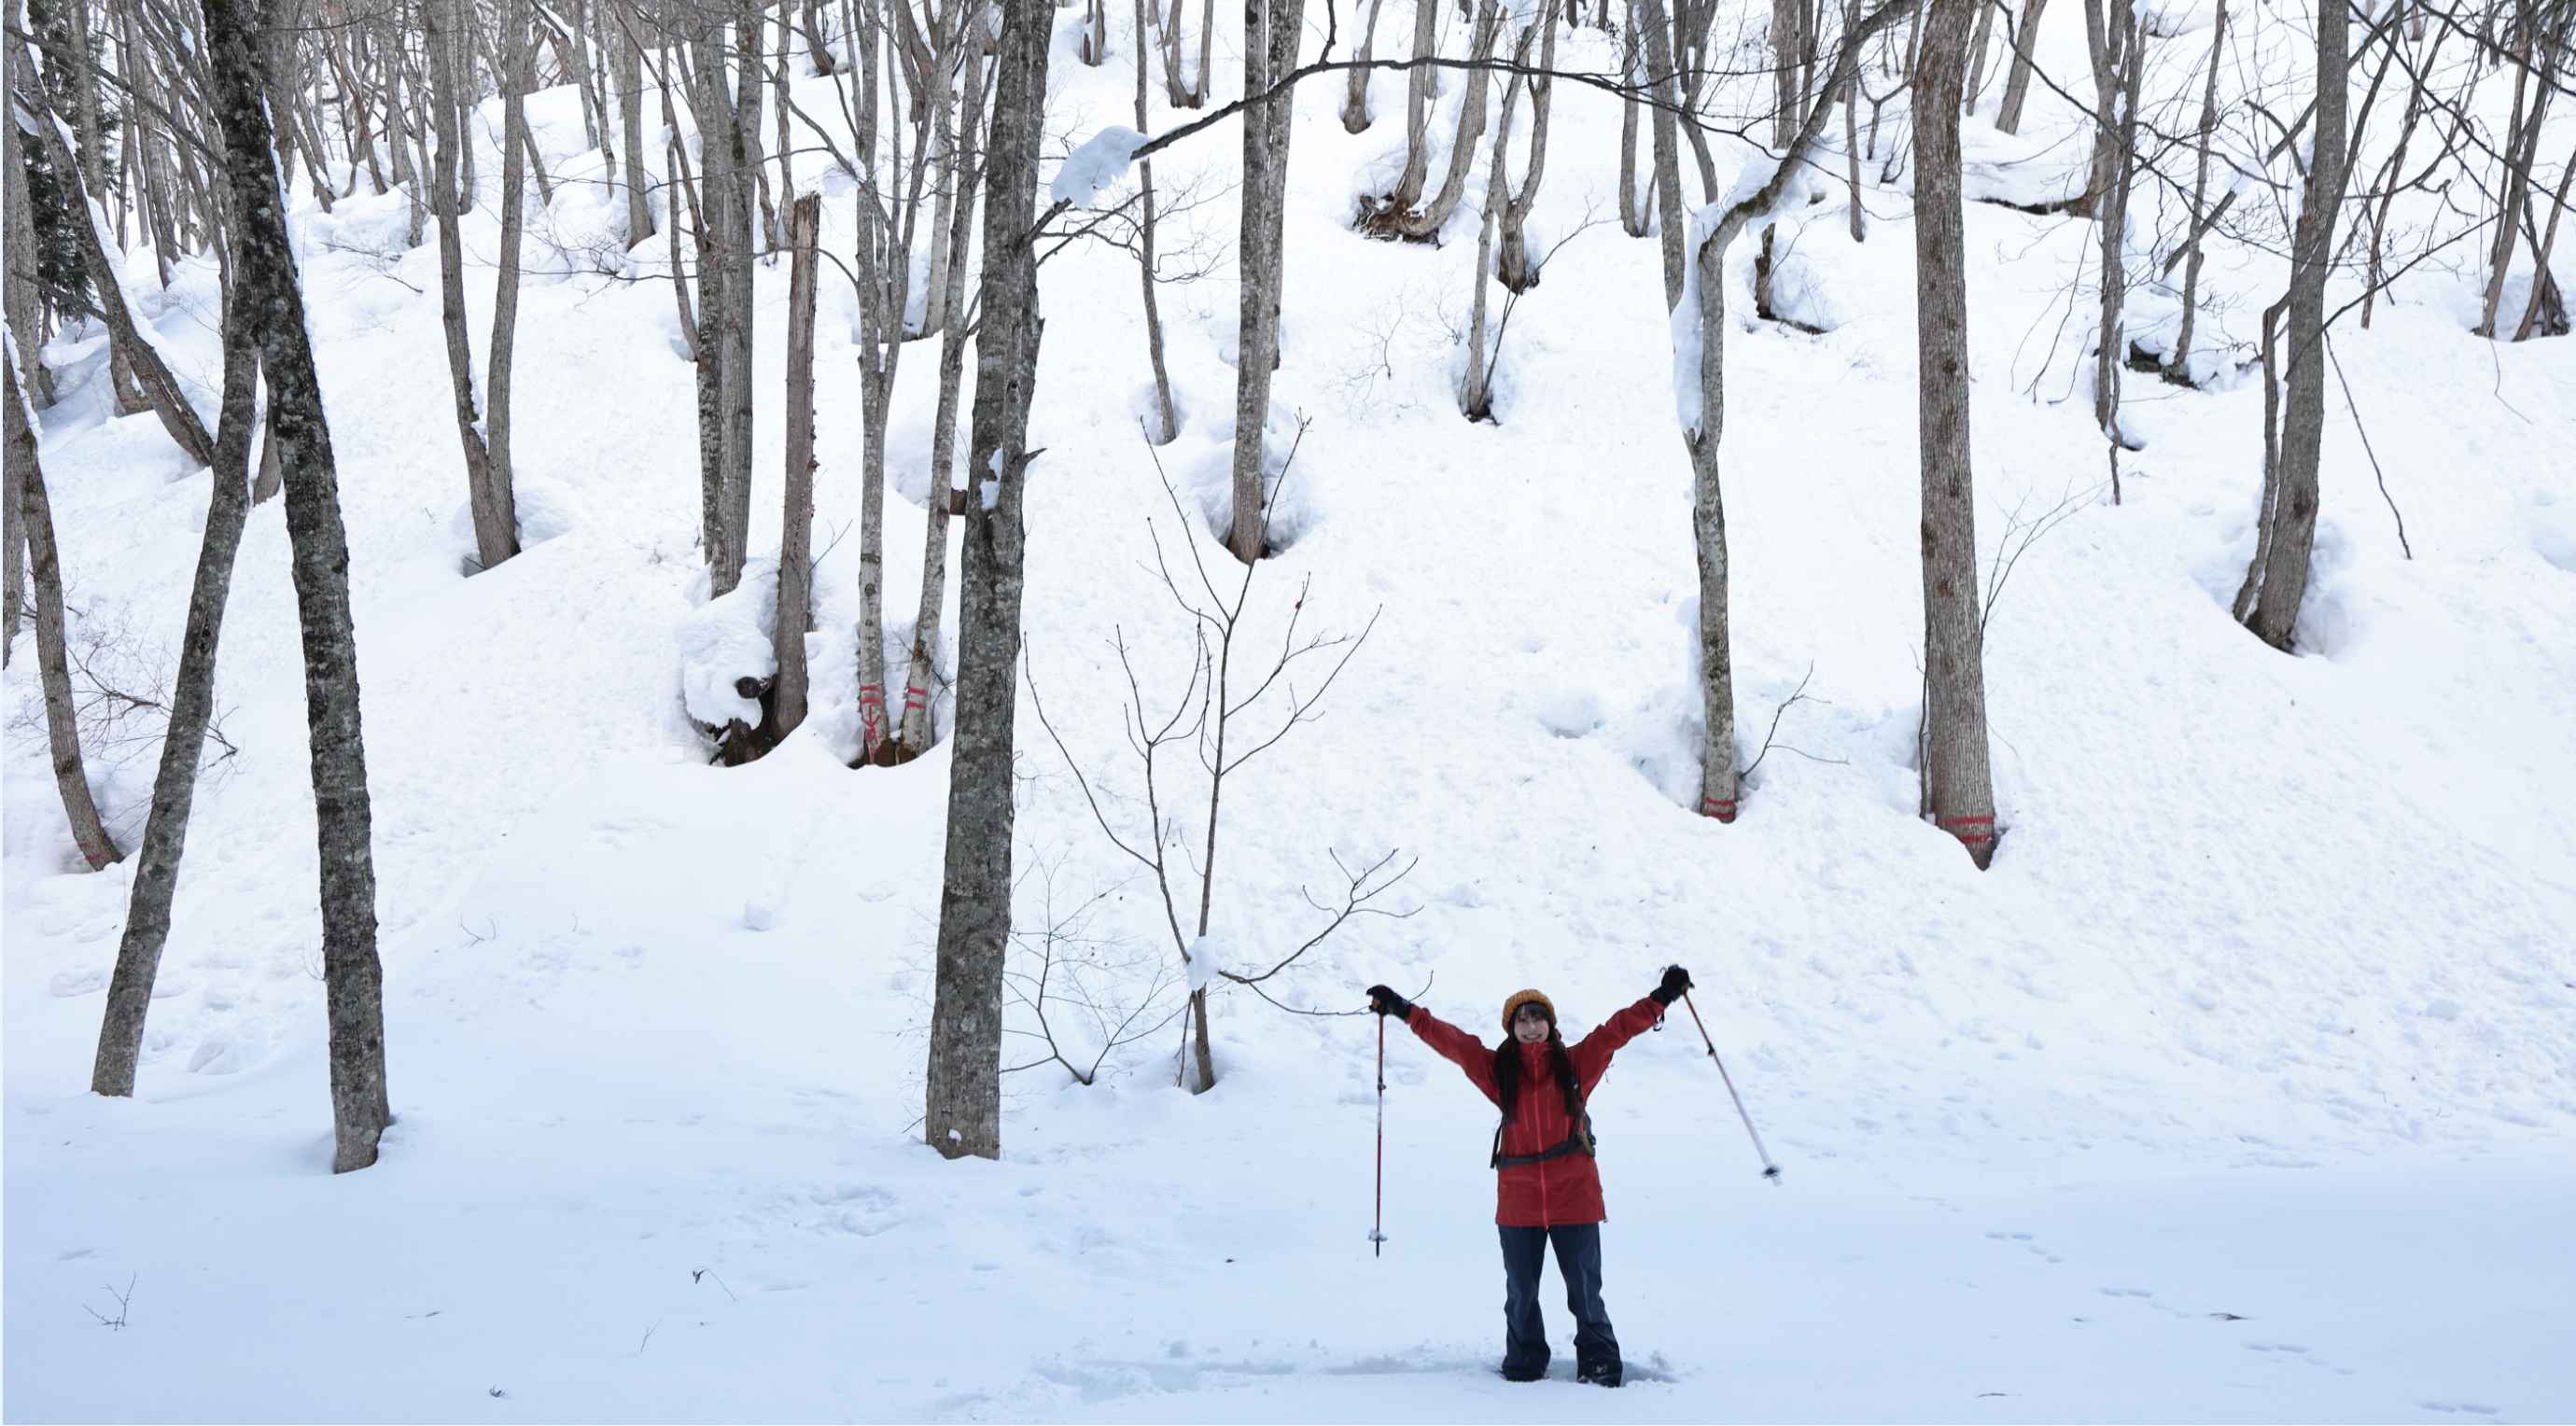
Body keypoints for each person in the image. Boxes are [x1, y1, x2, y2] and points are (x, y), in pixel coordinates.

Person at [1365, 965, 1694, 1388]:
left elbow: (1616, 1030)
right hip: (1518, 1203)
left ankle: (1598, 1359)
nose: (1531, 1025)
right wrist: (1404, 1010)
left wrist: (1661, 998)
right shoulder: (1499, 1072)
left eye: (1538, 1017)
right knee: (1521, 1293)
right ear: (1511, 1028)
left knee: (1585, 1292)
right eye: (1522, 1019)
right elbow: (1454, 1044)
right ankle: (1524, 1360)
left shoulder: (1576, 1064)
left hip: (1574, 1197)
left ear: (1550, 1024)